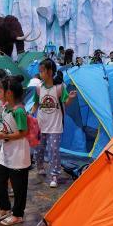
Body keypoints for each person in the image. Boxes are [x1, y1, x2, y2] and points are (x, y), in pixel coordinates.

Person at [0, 78, 30, 226]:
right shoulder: (7, 108)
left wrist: (4, 136)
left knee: (19, 186)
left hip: (19, 154)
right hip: (6, 153)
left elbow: (23, 132)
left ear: (9, 93)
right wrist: (2, 132)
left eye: (2, 90)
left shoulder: (19, 111)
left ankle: (18, 214)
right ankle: (5, 208)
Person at [33, 59, 76, 188]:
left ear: (50, 72)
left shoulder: (59, 87)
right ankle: (40, 166)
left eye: (42, 71)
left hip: (55, 126)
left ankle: (54, 175)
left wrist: (70, 98)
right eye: (39, 71)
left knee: (54, 150)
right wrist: (30, 114)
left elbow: (65, 104)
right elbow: (36, 104)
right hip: (41, 124)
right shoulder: (38, 88)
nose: (40, 74)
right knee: (38, 149)